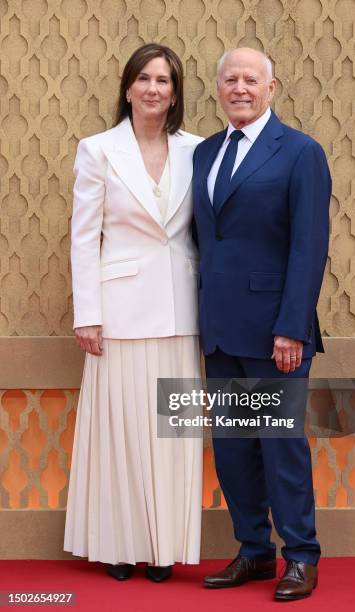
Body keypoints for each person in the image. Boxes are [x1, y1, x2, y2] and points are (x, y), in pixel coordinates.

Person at [192, 48, 331, 601]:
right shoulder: (203, 153)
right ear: (219, 88)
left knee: (280, 445)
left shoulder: (300, 152)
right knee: (232, 448)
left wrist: (292, 327)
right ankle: (253, 551)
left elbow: (309, 246)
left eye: (252, 79)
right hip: (220, 328)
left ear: (273, 88)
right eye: (231, 79)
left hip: (277, 332)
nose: (240, 87)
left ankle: (300, 555)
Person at [64, 43, 203, 582]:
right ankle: (119, 544)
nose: (153, 89)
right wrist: (87, 314)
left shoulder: (197, 150)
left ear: (175, 94)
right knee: (119, 433)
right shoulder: (97, 149)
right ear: (127, 88)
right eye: (143, 78)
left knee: (175, 433)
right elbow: (83, 237)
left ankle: (164, 547)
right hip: (117, 315)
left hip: (182, 310)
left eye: (164, 81)